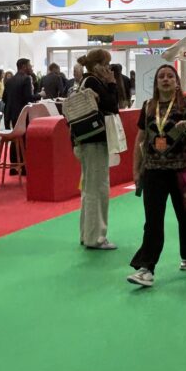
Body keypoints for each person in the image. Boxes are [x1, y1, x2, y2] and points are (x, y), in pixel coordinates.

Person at [128, 63, 186, 287]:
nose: (165, 79)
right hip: (153, 171)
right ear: (156, 83)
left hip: (183, 171)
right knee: (152, 221)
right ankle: (146, 268)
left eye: (170, 76)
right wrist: (136, 170)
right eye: (161, 76)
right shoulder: (148, 106)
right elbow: (140, 139)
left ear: (177, 82)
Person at [73, 49, 119, 250]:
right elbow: (113, 105)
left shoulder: (85, 81)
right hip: (94, 140)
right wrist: (112, 83)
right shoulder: (93, 82)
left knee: (90, 188)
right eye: (106, 64)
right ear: (98, 65)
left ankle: (88, 234)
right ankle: (96, 237)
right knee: (98, 189)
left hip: (85, 140)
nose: (109, 68)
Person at [1, 58, 37, 171]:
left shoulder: (9, 81)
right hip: (22, 114)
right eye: (30, 65)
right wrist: (40, 95)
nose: (31, 67)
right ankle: (24, 167)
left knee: (14, 138)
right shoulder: (26, 79)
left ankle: (13, 166)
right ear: (24, 66)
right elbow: (28, 98)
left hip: (10, 116)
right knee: (24, 140)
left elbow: (4, 98)